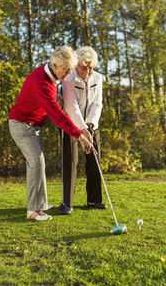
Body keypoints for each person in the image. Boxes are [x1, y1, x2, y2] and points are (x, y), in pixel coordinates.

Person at [9, 46, 95, 221]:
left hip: (35, 126)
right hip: (21, 125)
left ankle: (40, 203)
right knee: (37, 163)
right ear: (55, 65)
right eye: (65, 70)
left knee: (36, 164)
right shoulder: (41, 81)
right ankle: (33, 210)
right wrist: (79, 135)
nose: (68, 73)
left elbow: (46, 97)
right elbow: (57, 115)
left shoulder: (51, 74)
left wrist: (58, 97)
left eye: (70, 69)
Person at [58, 46, 107, 215]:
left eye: (90, 68)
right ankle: (67, 204)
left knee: (94, 159)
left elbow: (97, 103)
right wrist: (82, 129)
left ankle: (94, 200)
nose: (87, 71)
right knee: (71, 161)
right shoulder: (69, 78)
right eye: (83, 68)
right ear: (76, 65)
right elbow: (71, 107)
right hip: (71, 124)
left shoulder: (98, 78)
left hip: (92, 124)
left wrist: (91, 125)